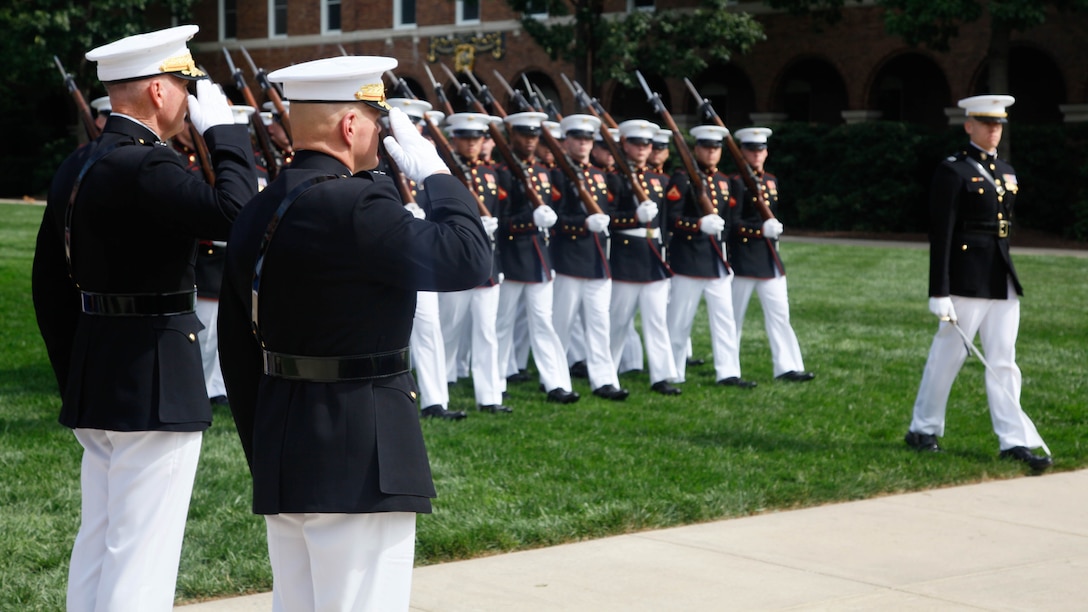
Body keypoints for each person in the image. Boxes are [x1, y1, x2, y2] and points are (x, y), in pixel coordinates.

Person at [217, 56, 491, 611]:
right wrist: (437, 175)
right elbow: (468, 258)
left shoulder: (259, 207)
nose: (382, 135)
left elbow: (235, 342)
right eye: (377, 120)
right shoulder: (358, 204)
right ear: (350, 126)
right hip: (362, 452)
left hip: (284, 442)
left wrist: (265, 444)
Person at [32, 25, 258, 610]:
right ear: (160, 92)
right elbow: (238, 214)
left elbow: (49, 287)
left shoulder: (80, 164)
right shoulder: (146, 166)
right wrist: (229, 135)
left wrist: (74, 373)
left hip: (99, 372)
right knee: (143, 552)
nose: (189, 101)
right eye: (186, 87)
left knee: (102, 538)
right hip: (153, 379)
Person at [904, 94, 1052, 471]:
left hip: (1000, 274)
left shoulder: (1005, 170)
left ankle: (1013, 440)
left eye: (999, 124)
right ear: (969, 125)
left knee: (1004, 360)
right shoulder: (952, 171)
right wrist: (939, 289)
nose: (994, 130)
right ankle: (923, 429)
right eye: (987, 123)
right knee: (948, 355)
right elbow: (942, 233)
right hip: (966, 277)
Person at [492, 111, 580, 404]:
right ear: (511, 136)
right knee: (502, 323)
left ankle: (555, 382)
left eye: (534, 137)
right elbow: (499, 221)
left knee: (544, 322)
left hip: (539, 258)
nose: (530, 142)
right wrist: (529, 219)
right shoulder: (500, 173)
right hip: (512, 257)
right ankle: (497, 379)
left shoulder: (544, 172)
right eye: (524, 136)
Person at [384, 97, 463, 420]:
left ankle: (435, 400)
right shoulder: (378, 162)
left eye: (417, 125)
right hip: (389, 255)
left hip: (424, 255)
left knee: (429, 327)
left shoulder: (429, 163)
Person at [665, 125, 754, 389]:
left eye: (716, 149)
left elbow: (727, 223)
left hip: (716, 260)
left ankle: (728, 372)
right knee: (679, 320)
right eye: (706, 148)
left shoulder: (724, 182)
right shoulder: (682, 179)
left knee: (724, 319)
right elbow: (671, 219)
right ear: (696, 149)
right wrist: (697, 225)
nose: (711, 153)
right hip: (689, 260)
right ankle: (672, 370)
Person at [549, 113, 629, 401]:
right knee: (561, 325)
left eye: (587, 140)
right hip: (569, 260)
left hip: (597, 261)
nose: (583, 144)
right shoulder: (555, 174)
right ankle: (556, 380)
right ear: (566, 141)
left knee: (599, 325)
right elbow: (553, 219)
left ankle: (604, 379)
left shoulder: (598, 175)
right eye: (577, 139)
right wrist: (581, 224)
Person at [435, 112, 510, 414]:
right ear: (453, 140)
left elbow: (501, 213)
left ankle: (490, 396)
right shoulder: (443, 176)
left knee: (486, 332)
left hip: (488, 265)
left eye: (476, 138)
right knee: (449, 329)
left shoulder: (491, 174)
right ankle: (444, 383)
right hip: (456, 261)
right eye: (465, 138)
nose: (471, 144)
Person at [728, 127, 814, 383]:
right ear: (742, 152)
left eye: (761, 150)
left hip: (769, 259)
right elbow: (732, 223)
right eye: (751, 150)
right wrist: (759, 230)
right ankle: (729, 368)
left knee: (780, 315)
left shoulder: (771, 181)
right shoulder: (734, 182)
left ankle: (787, 366)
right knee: (733, 318)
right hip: (743, 259)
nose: (757, 154)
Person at [608, 119, 680, 395]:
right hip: (626, 257)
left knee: (656, 321)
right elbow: (608, 218)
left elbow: (663, 222)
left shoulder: (659, 180)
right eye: (636, 143)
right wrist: (632, 218)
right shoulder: (613, 178)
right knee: (618, 320)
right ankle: (608, 371)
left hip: (654, 258)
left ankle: (661, 375)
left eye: (646, 144)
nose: (641, 149)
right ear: (624, 144)